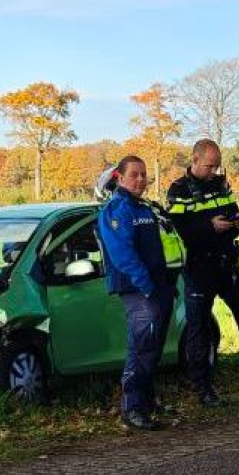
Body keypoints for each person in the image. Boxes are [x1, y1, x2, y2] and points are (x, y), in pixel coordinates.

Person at [165, 139, 239, 407]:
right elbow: (179, 230)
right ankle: (203, 389)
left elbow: (234, 215)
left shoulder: (221, 185)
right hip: (199, 267)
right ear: (195, 159)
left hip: (227, 263)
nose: (213, 171)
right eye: (209, 166)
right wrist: (210, 227)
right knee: (198, 328)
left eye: (217, 166)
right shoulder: (179, 190)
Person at [99, 155, 181, 431]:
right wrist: (147, 286)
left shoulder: (145, 208)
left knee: (153, 348)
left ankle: (146, 402)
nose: (141, 180)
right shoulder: (117, 209)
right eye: (134, 174)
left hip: (159, 286)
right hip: (138, 289)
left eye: (144, 174)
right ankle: (132, 408)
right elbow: (123, 254)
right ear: (120, 178)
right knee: (141, 347)